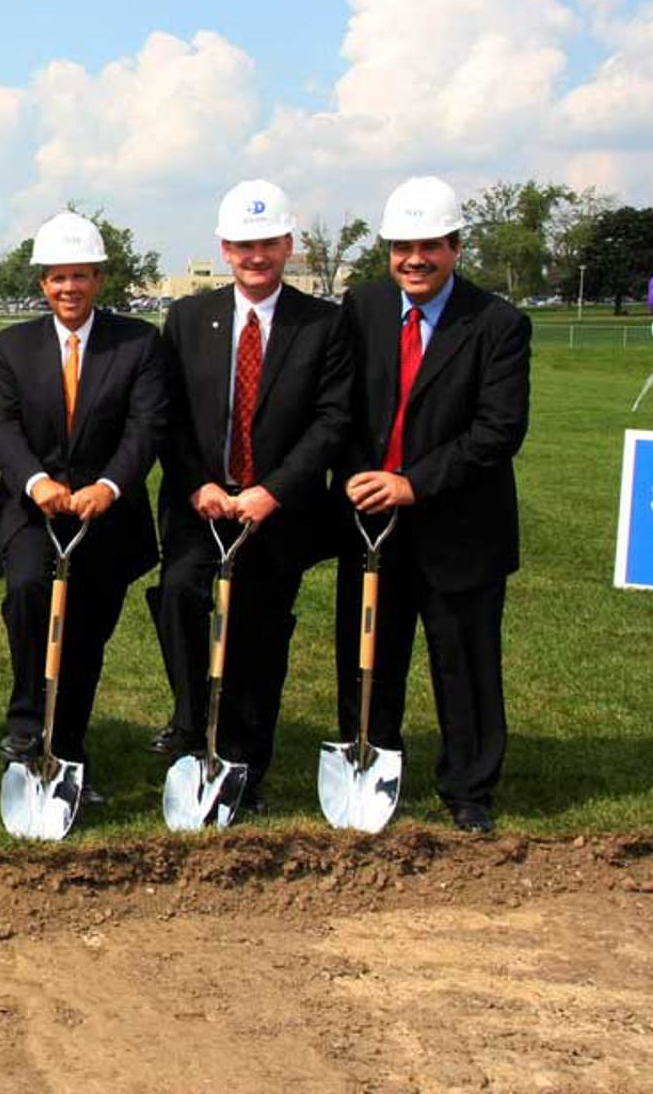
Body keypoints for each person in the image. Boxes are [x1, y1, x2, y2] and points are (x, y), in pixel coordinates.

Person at [332, 176, 530, 834]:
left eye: (428, 247)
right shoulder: (360, 309)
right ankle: (372, 767)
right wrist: (362, 473)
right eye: (401, 248)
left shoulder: (497, 324)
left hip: (460, 525)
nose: (413, 260)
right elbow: (343, 408)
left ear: (455, 248)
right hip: (373, 523)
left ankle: (468, 787)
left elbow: (498, 431)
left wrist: (412, 482)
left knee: (464, 662)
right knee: (368, 656)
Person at [146, 181, 351, 811]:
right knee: (180, 596)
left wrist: (274, 491)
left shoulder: (323, 324)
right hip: (200, 502)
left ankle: (243, 759)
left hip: (276, 510)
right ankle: (192, 722)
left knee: (259, 633)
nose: (255, 256)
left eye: (266, 243)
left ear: (288, 245)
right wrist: (198, 483)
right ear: (224, 248)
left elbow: (332, 420)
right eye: (242, 245)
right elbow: (168, 416)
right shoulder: (188, 318)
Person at [0, 212, 165, 802]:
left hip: (105, 514)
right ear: (42, 283)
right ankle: (27, 722)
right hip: (34, 507)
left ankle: (66, 752)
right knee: (30, 590)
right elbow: (1, 425)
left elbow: (145, 428)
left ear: (99, 279)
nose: (69, 288)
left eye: (80, 276)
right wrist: (35, 481)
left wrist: (108, 487)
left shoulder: (137, 343)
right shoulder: (15, 344)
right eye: (57, 277)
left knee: (85, 632)